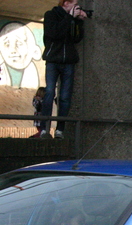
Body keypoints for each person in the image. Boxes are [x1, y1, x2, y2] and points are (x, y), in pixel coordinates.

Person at [40, 0, 88, 139]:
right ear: (65, 3)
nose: (76, 6)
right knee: (49, 91)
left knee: (65, 97)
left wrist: (79, 22)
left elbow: (76, 38)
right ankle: (45, 128)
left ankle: (60, 130)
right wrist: (69, 18)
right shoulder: (51, 15)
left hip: (68, 62)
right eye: (73, 3)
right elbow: (54, 33)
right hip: (53, 60)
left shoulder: (72, 19)